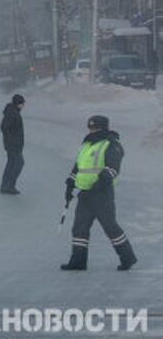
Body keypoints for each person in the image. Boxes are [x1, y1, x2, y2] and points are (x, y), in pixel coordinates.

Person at [61, 115, 137, 271]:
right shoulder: (86, 144)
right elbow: (78, 167)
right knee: (79, 228)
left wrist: (99, 185)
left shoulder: (112, 144)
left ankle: (128, 257)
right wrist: (70, 184)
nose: (92, 130)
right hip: (86, 193)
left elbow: (112, 169)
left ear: (104, 128)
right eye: (90, 127)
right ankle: (78, 261)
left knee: (110, 227)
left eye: (95, 128)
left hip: (102, 193)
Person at [0, 94, 25, 195]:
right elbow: (4, 127)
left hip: (13, 144)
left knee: (11, 164)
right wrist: (12, 141)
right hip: (13, 145)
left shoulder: (12, 112)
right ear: (18, 103)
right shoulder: (12, 113)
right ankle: (9, 185)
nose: (23, 105)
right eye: (22, 103)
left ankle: (5, 185)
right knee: (19, 163)